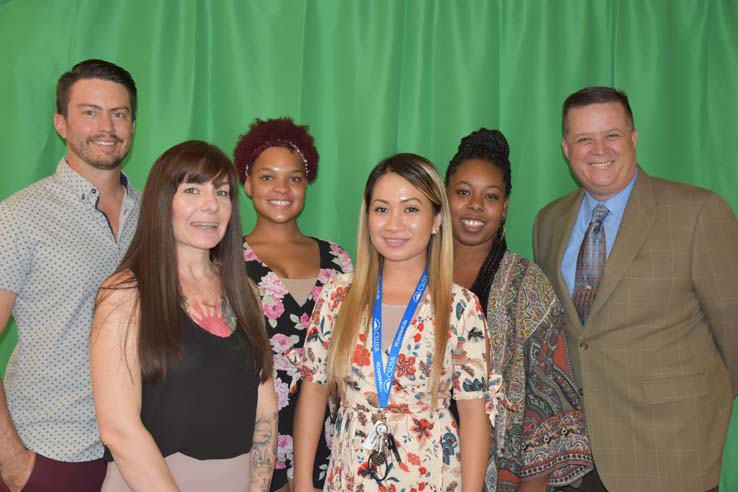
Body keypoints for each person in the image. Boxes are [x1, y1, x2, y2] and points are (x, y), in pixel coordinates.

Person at [533, 86, 738, 492]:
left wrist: (694, 415)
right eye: (584, 139)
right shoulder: (549, 221)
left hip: (671, 457)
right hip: (576, 461)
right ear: (566, 147)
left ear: (633, 137)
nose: (598, 149)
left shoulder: (699, 213)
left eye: (611, 135)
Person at [293, 153, 492, 492]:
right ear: (367, 216)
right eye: (381, 209)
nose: (394, 224)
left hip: (433, 477)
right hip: (350, 474)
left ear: (437, 219)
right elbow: (313, 390)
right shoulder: (338, 295)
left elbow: (474, 415)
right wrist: (302, 481)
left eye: (411, 209)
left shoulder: (461, 307)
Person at [90, 140, 278, 492]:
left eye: (222, 192)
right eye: (192, 189)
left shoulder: (245, 292)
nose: (211, 205)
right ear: (163, 202)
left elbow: (265, 411)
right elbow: (118, 430)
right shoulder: (124, 295)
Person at [0, 59, 140, 492]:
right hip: (48, 452)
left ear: (133, 125)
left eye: (118, 114)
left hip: (135, 453)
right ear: (61, 123)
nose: (106, 126)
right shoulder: (18, 217)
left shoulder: (153, 215)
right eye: (89, 112)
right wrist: (14, 464)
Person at [446, 128, 593, 492]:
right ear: (443, 197)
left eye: (490, 196)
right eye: (463, 192)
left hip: (499, 478)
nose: (476, 206)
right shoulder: (409, 273)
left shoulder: (527, 285)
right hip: (410, 469)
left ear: (505, 206)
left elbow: (547, 408)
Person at [234, 117, 353, 492]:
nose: (282, 188)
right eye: (268, 177)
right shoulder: (225, 261)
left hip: (328, 437)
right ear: (247, 182)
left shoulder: (339, 261)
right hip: (250, 435)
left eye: (295, 178)